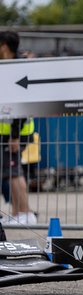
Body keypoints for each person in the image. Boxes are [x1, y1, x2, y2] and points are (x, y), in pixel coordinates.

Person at [0, 31, 36, 226]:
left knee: (14, 172)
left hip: (15, 134)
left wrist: (14, 136)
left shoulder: (17, 68)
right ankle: (17, 212)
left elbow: (20, 106)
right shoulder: (12, 66)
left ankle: (25, 213)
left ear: (4, 45)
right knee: (10, 172)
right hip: (10, 133)